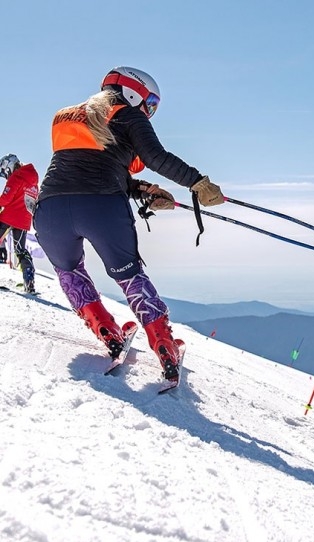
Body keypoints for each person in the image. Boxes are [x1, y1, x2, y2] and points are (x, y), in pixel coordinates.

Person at [33, 66, 224, 383]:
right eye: (150, 104)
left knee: (69, 271)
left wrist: (140, 189)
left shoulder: (66, 117)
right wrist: (199, 184)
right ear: (135, 93)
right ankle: (163, 344)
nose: (149, 112)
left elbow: (89, 166)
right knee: (130, 276)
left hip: (50, 209)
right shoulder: (128, 115)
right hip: (102, 208)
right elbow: (156, 156)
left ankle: (105, 329)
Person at [0, 154, 39, 292]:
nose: (6, 175)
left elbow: (5, 198)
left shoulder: (17, 176)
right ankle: (29, 283)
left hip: (8, 217)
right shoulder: (33, 181)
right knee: (20, 250)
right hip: (23, 221)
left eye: (5, 171)